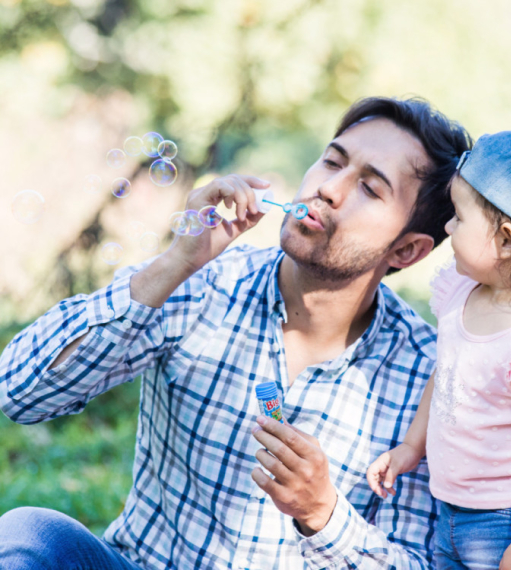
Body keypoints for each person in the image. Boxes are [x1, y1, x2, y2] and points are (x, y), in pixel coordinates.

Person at [0, 96, 471, 570]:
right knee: (30, 534)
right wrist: (173, 265)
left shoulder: (428, 380)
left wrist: (324, 516)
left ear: (407, 251)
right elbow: (18, 391)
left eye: (370, 188)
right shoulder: (202, 280)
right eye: (332, 161)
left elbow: (419, 563)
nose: (329, 188)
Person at [367, 130, 511, 570]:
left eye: (458, 217)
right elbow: (446, 377)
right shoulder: (461, 293)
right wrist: (409, 448)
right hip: (451, 510)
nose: (447, 226)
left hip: (509, 520)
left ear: (505, 240)